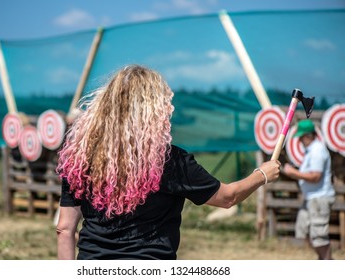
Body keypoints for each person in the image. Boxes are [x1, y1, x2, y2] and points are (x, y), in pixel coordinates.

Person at [55, 64, 280, 260]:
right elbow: (228, 197)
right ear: (153, 109)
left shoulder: (81, 159)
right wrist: (262, 175)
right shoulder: (169, 161)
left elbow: (65, 229)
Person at [283, 119, 335, 260]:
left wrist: (293, 173)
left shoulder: (317, 150)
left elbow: (315, 176)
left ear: (308, 136)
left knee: (319, 237)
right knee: (304, 231)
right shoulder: (311, 150)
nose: (299, 140)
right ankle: (323, 260)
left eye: (300, 137)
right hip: (312, 198)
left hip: (319, 198)